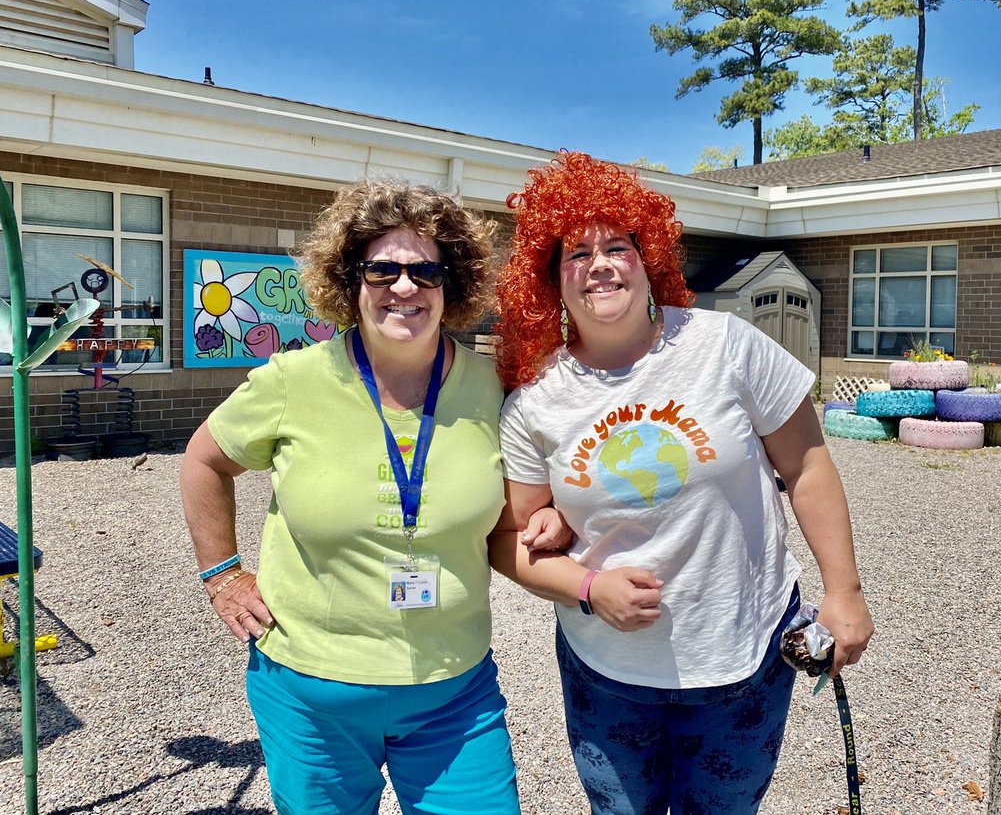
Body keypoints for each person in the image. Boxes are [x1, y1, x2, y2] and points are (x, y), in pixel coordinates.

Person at [488, 151, 874, 815]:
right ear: (552, 280)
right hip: (608, 671)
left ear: (648, 258)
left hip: (743, 654)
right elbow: (512, 542)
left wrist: (845, 593)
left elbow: (808, 466)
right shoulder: (535, 400)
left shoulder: (726, 345)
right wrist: (585, 584)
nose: (601, 263)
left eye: (618, 246)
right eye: (577, 254)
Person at [181, 179, 567, 815]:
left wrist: (545, 515)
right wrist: (223, 575)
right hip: (310, 692)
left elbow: (522, 499)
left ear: (454, 283)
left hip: (453, 692)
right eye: (382, 268)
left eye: (426, 271)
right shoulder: (292, 380)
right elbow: (203, 460)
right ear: (350, 281)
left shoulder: (494, 389)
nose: (405, 286)